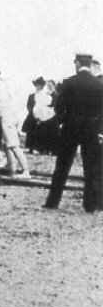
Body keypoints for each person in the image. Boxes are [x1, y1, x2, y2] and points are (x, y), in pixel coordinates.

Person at [43, 53, 103, 212]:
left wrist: (63, 121)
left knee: (62, 166)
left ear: (77, 63)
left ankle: (52, 203)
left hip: (70, 128)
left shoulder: (69, 83)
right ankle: (90, 205)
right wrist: (99, 129)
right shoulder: (99, 84)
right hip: (91, 129)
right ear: (90, 65)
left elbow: (58, 106)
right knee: (91, 168)